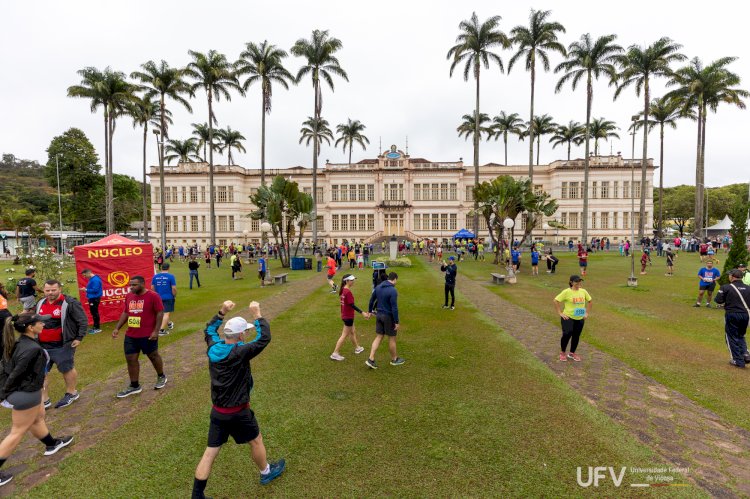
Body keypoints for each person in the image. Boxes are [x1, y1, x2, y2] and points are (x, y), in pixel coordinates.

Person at [191, 300, 285, 498]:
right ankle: (266, 472)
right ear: (241, 335)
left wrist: (222, 311)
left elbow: (209, 330)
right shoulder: (240, 352)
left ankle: (197, 494)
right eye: (246, 332)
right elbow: (264, 338)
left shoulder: (213, 348)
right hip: (239, 412)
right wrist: (257, 314)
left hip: (218, 412)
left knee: (210, 452)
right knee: (256, 441)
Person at [0, 314, 74, 486]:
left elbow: (6, 369)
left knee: (38, 417)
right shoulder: (33, 349)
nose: (43, 323)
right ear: (30, 328)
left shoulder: (15, 342)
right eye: (39, 322)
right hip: (26, 394)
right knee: (17, 432)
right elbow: (16, 374)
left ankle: (51, 444)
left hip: (26, 391)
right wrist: (4, 393)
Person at [34, 280, 87, 410]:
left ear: (60, 289)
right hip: (42, 346)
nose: (50, 293)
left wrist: (79, 337)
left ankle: (72, 393)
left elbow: (83, 321)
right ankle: (44, 400)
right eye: (47, 290)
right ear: (44, 290)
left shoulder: (70, 303)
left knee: (66, 369)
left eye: (53, 290)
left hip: (62, 345)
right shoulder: (40, 303)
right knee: (41, 372)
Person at [112, 276, 167, 397]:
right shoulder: (129, 296)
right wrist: (117, 328)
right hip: (131, 335)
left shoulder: (153, 296)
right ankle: (134, 385)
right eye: (130, 285)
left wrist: (156, 331)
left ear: (142, 284)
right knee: (131, 359)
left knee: (153, 356)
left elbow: (159, 312)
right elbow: (126, 312)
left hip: (148, 334)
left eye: (134, 285)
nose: (131, 287)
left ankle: (161, 376)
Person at [366, 272, 404, 368]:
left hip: (378, 315)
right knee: (392, 338)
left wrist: (370, 311)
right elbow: (394, 308)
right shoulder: (393, 290)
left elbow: (371, 300)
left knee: (379, 337)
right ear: (394, 279)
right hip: (388, 317)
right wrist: (396, 321)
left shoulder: (378, 287)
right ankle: (394, 359)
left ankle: (371, 358)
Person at [714, 269, 750, 368]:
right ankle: (745, 354)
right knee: (741, 335)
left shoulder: (726, 287)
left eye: (729, 275)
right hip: (745, 314)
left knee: (731, 337)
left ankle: (738, 360)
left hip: (732, 314)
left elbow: (718, 300)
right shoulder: (748, 288)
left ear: (732, 277)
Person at [553, 275, 592, 362]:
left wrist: (587, 313)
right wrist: (560, 313)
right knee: (567, 333)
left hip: (580, 318)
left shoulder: (583, 291)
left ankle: (572, 353)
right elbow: (556, 300)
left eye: (580, 281)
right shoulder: (566, 292)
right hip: (568, 317)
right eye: (576, 281)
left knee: (576, 335)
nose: (578, 283)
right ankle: (562, 353)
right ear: (571, 282)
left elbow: (590, 301)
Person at [330, 275, 367, 361]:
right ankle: (335, 353)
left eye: (353, 280)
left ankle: (357, 348)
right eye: (351, 280)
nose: (353, 281)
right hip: (348, 317)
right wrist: (363, 313)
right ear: (346, 281)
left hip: (345, 315)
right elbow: (352, 305)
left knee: (352, 332)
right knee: (344, 335)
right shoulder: (347, 292)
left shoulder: (343, 290)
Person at [152, 263, 177, 336]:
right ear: (168, 268)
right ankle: (161, 330)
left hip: (158, 297)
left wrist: (155, 295)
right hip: (168, 297)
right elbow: (174, 288)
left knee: (162, 312)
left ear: (161, 268)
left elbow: (152, 287)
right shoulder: (171, 276)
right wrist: (174, 295)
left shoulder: (155, 276)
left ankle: (169, 323)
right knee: (166, 313)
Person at [80, 269, 103, 334]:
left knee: (95, 313)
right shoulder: (93, 279)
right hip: (93, 298)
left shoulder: (95, 280)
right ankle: (95, 327)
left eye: (85, 275)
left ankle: (97, 328)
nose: (84, 277)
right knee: (94, 313)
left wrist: (85, 289)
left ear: (88, 273)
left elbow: (95, 290)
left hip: (94, 298)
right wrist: (86, 289)